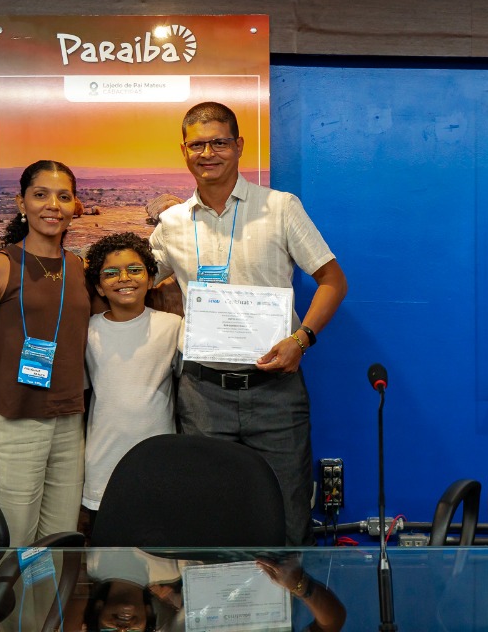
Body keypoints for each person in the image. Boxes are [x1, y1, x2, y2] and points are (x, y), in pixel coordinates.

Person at [149, 101, 348, 545]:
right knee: (209, 517)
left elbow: (333, 281)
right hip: (202, 394)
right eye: (197, 145)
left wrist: (302, 339)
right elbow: (131, 277)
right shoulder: (171, 223)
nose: (208, 153)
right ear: (184, 151)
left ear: (239, 146)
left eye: (219, 142)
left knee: (287, 515)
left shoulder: (280, 207)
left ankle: (287, 592)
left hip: (274, 390)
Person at [0, 159, 91, 549]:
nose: (52, 205)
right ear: (21, 203)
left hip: (68, 423)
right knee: (11, 548)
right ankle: (7, 597)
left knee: (57, 545)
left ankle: (45, 597)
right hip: (12, 423)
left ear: (74, 206)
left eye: (63, 197)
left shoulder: (79, 267)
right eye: (40, 195)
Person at [81, 232, 183, 536]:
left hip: (160, 462)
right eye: (111, 273)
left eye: (135, 270)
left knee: (160, 554)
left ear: (151, 279)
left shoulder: (172, 326)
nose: (124, 278)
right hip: (103, 462)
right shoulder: (87, 332)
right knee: (106, 553)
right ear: (99, 286)